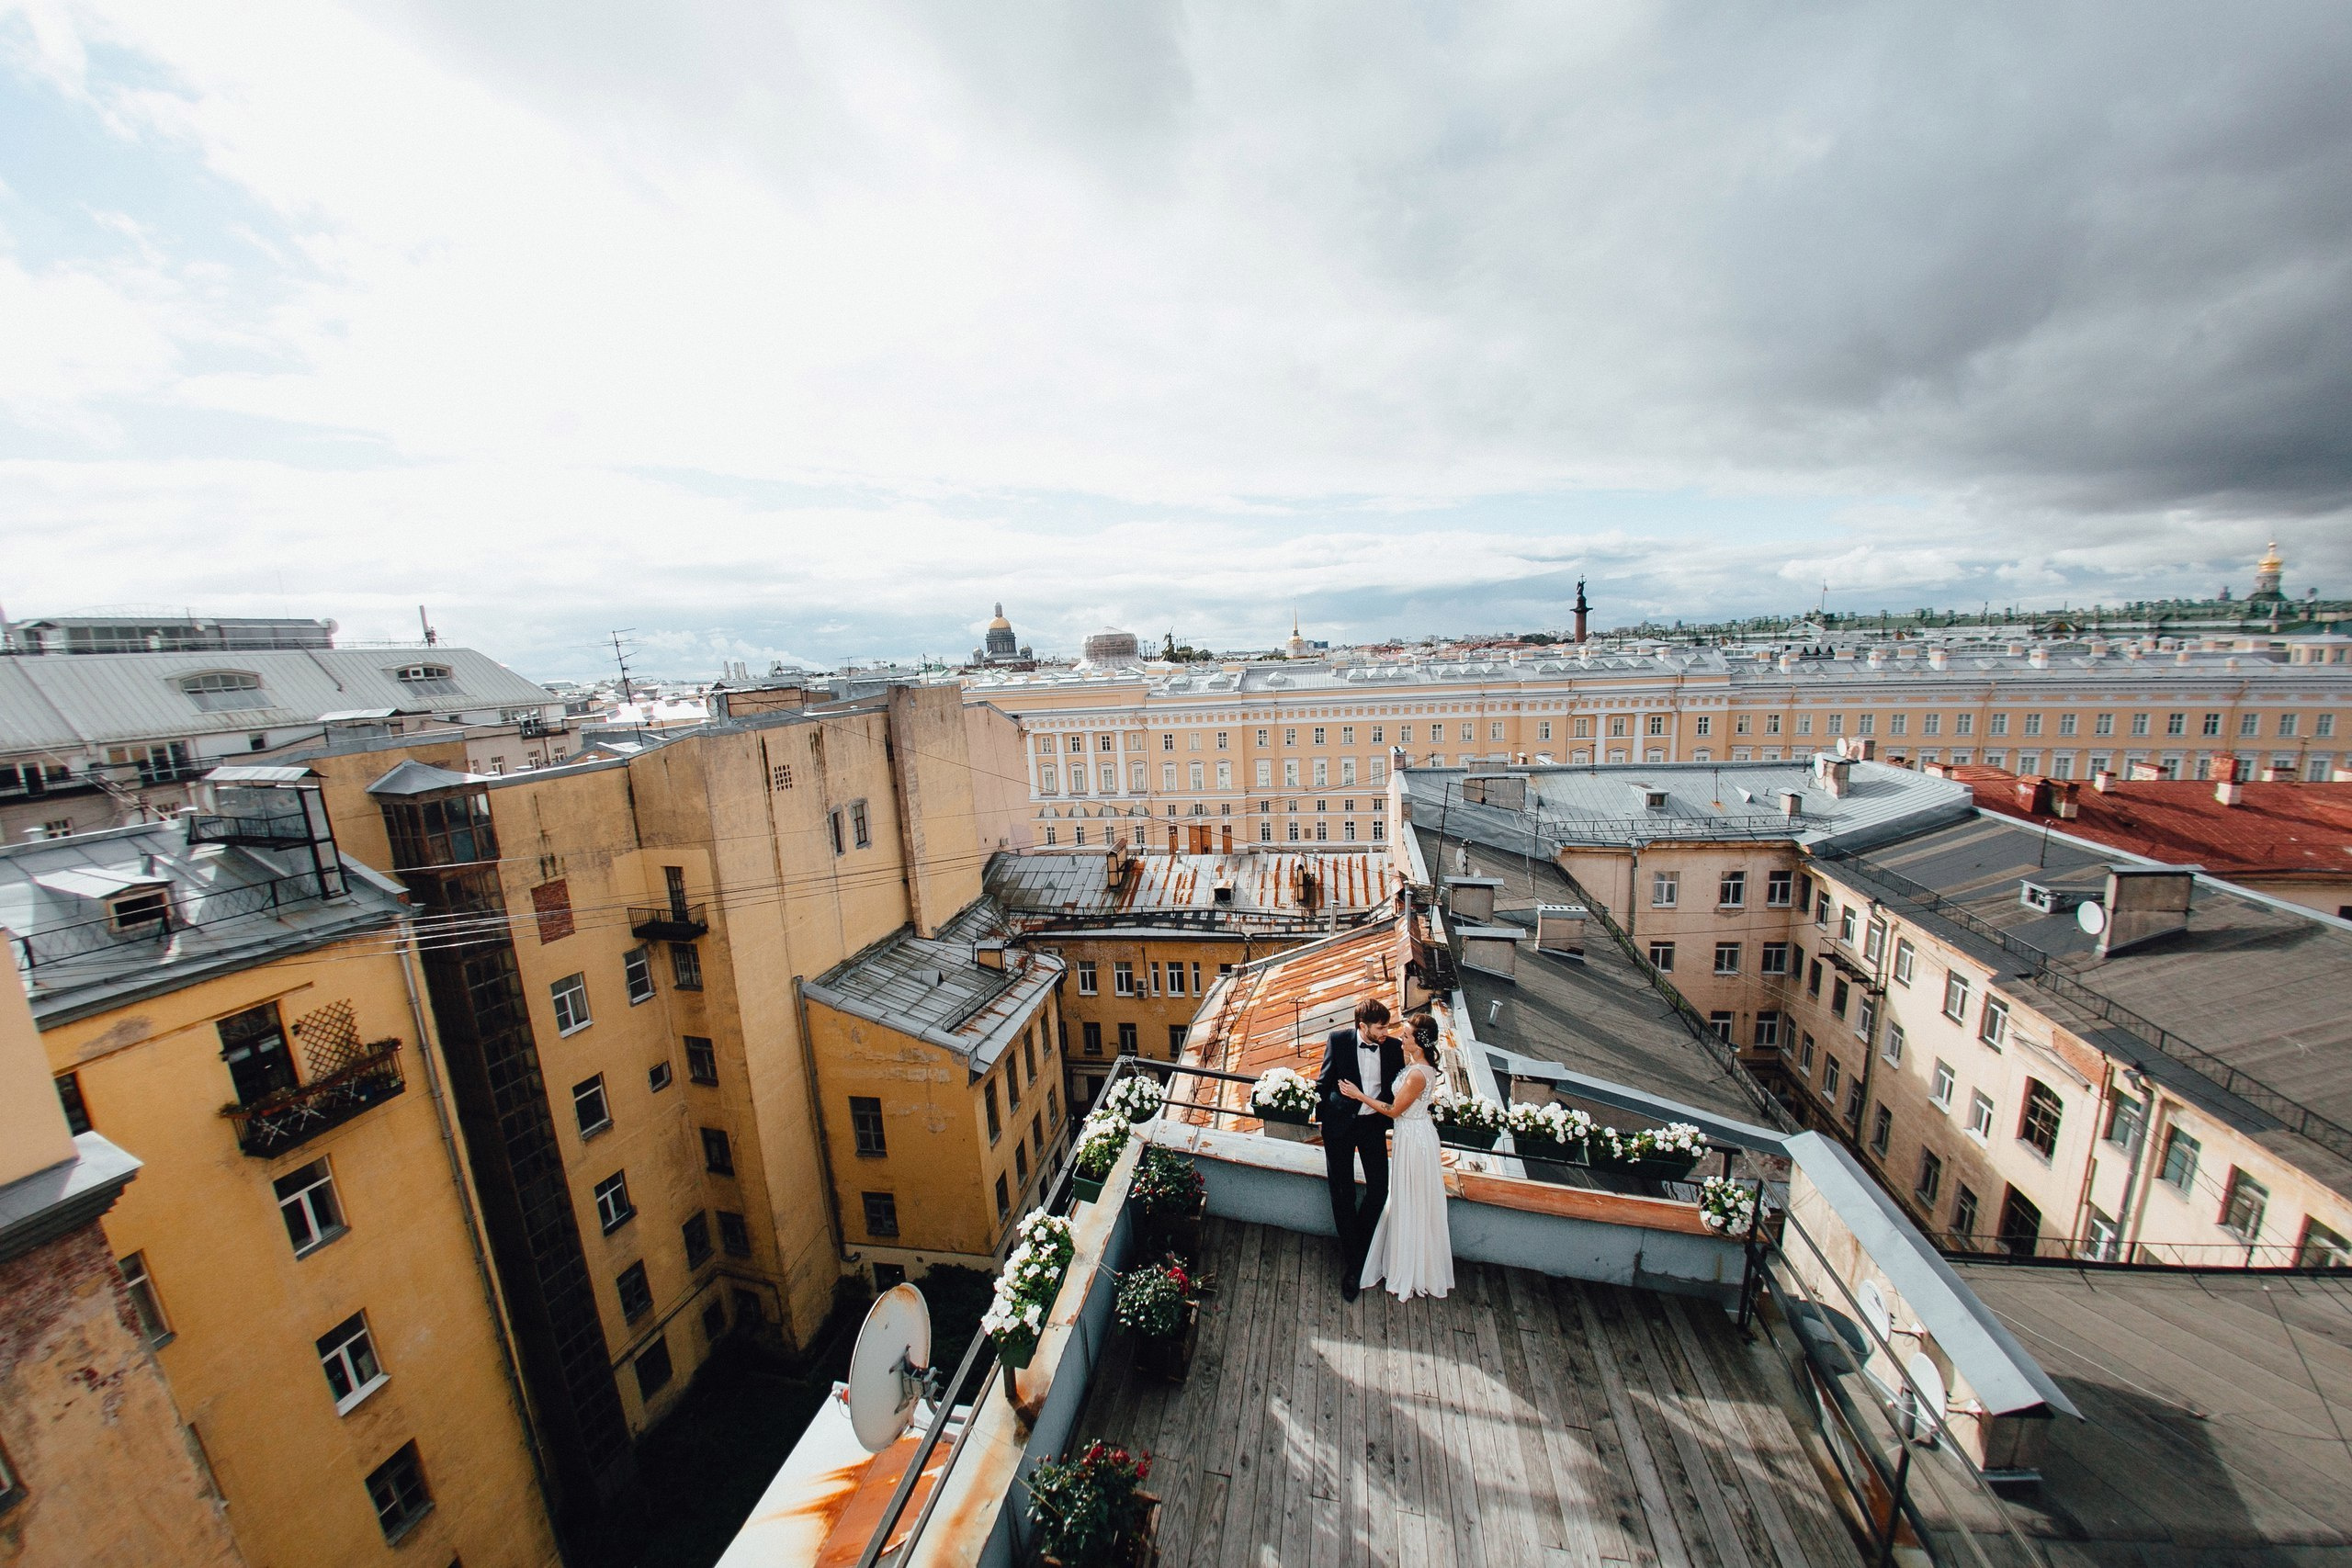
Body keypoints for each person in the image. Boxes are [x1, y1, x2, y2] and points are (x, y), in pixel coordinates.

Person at [1345, 1012, 1455, 1302]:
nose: (1400, 1038)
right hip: (1412, 1135)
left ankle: (1410, 1268)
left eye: (1405, 1035)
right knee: (1409, 1199)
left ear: (1418, 1043)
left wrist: (1360, 1095)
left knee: (1410, 1200)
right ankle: (1405, 1261)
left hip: (1414, 1139)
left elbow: (1394, 1111)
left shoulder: (1418, 1074)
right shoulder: (1419, 1065)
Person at [1317, 998, 1406, 1301]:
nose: (1386, 1032)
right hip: (1340, 1127)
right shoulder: (1338, 1041)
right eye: (1381, 1027)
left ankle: (1357, 1254)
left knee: (1379, 1190)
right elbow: (1323, 1083)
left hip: (1373, 1128)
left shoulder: (1393, 1048)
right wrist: (1323, 1120)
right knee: (1342, 1193)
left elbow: (1401, 1087)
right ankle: (1357, 1262)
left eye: (1388, 1026)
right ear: (1362, 1026)